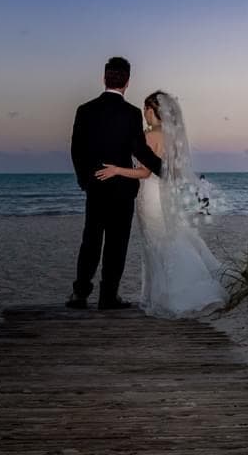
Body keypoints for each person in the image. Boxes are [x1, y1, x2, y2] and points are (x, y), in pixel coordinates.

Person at [94, 91, 226, 318]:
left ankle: (173, 297)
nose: (144, 112)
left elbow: (144, 172)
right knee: (170, 238)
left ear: (155, 111)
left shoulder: (150, 136)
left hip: (151, 196)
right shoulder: (172, 136)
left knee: (157, 243)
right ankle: (174, 292)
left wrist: (116, 170)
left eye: (147, 107)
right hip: (165, 193)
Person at [68, 57, 163, 310]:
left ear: (104, 78)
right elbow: (139, 150)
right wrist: (164, 169)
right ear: (127, 82)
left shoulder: (84, 110)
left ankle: (79, 295)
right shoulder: (131, 113)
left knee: (90, 241)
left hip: (96, 188)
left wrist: (85, 181)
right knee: (116, 244)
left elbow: (76, 150)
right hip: (122, 190)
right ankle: (108, 297)